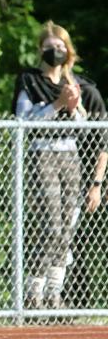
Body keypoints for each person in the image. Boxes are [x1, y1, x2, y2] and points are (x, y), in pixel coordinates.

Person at [12, 20, 107, 309]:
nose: (56, 51)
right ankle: (33, 292)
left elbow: (87, 128)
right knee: (51, 224)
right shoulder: (30, 80)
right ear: (40, 50)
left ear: (69, 51)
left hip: (70, 155)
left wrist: (74, 106)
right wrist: (55, 105)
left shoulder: (78, 84)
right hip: (43, 153)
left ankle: (54, 292)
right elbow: (23, 120)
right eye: (50, 47)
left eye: (60, 46)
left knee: (67, 226)